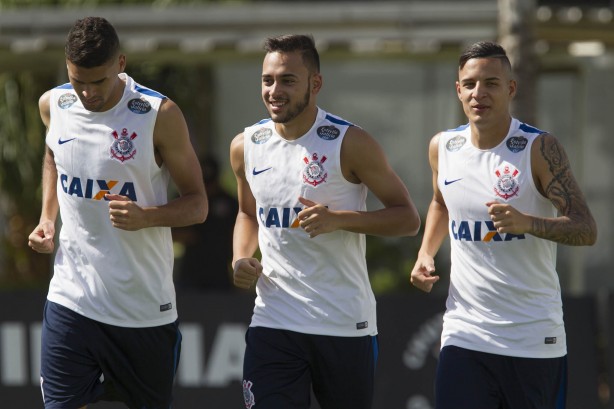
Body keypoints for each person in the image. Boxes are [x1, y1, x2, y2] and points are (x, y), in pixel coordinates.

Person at [230, 34, 421, 409]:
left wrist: (340, 220)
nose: (274, 90)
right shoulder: (245, 145)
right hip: (274, 318)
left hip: (343, 323)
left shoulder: (350, 142)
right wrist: (240, 257)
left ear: (315, 84)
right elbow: (247, 213)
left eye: (288, 80)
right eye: (268, 80)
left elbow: (407, 218)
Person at [27, 17, 208, 409]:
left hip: (142, 310)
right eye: (79, 81)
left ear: (121, 63)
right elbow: (52, 156)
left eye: (99, 81)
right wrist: (47, 217)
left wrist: (147, 216)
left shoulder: (158, 115)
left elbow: (197, 204)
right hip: (71, 299)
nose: (88, 93)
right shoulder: (53, 104)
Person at [410, 41, 597, 409]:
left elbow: (586, 228)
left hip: (532, 337)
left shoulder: (538, 148)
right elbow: (439, 202)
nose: (479, 93)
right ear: (458, 90)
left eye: (491, 83)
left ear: (510, 89)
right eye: (470, 83)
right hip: (465, 334)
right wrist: (424, 253)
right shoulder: (443, 147)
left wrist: (527, 222)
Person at [173, 154, 238, 291]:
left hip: (219, 270)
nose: (207, 189)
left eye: (210, 183)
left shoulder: (229, 203)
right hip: (190, 269)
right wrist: (187, 235)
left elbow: (237, 236)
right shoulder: (183, 200)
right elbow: (168, 231)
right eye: (203, 183)